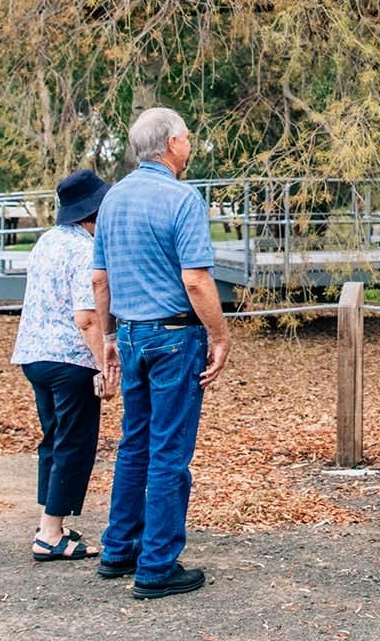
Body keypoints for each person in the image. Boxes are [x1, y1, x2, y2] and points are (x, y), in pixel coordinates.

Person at [91, 107, 233, 600]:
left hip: (130, 333)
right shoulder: (182, 198)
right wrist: (219, 335)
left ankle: (118, 548)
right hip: (174, 336)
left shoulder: (112, 201)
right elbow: (195, 278)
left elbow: (100, 277)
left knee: (135, 443)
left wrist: (109, 336)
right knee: (169, 449)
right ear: (172, 144)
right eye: (187, 136)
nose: (190, 142)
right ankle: (156, 564)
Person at [13, 169, 117, 561]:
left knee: (53, 441)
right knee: (75, 444)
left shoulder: (46, 242)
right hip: (69, 359)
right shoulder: (85, 251)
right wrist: (104, 365)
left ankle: (47, 522)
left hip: (34, 355)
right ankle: (50, 534)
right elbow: (86, 318)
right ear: (94, 212)